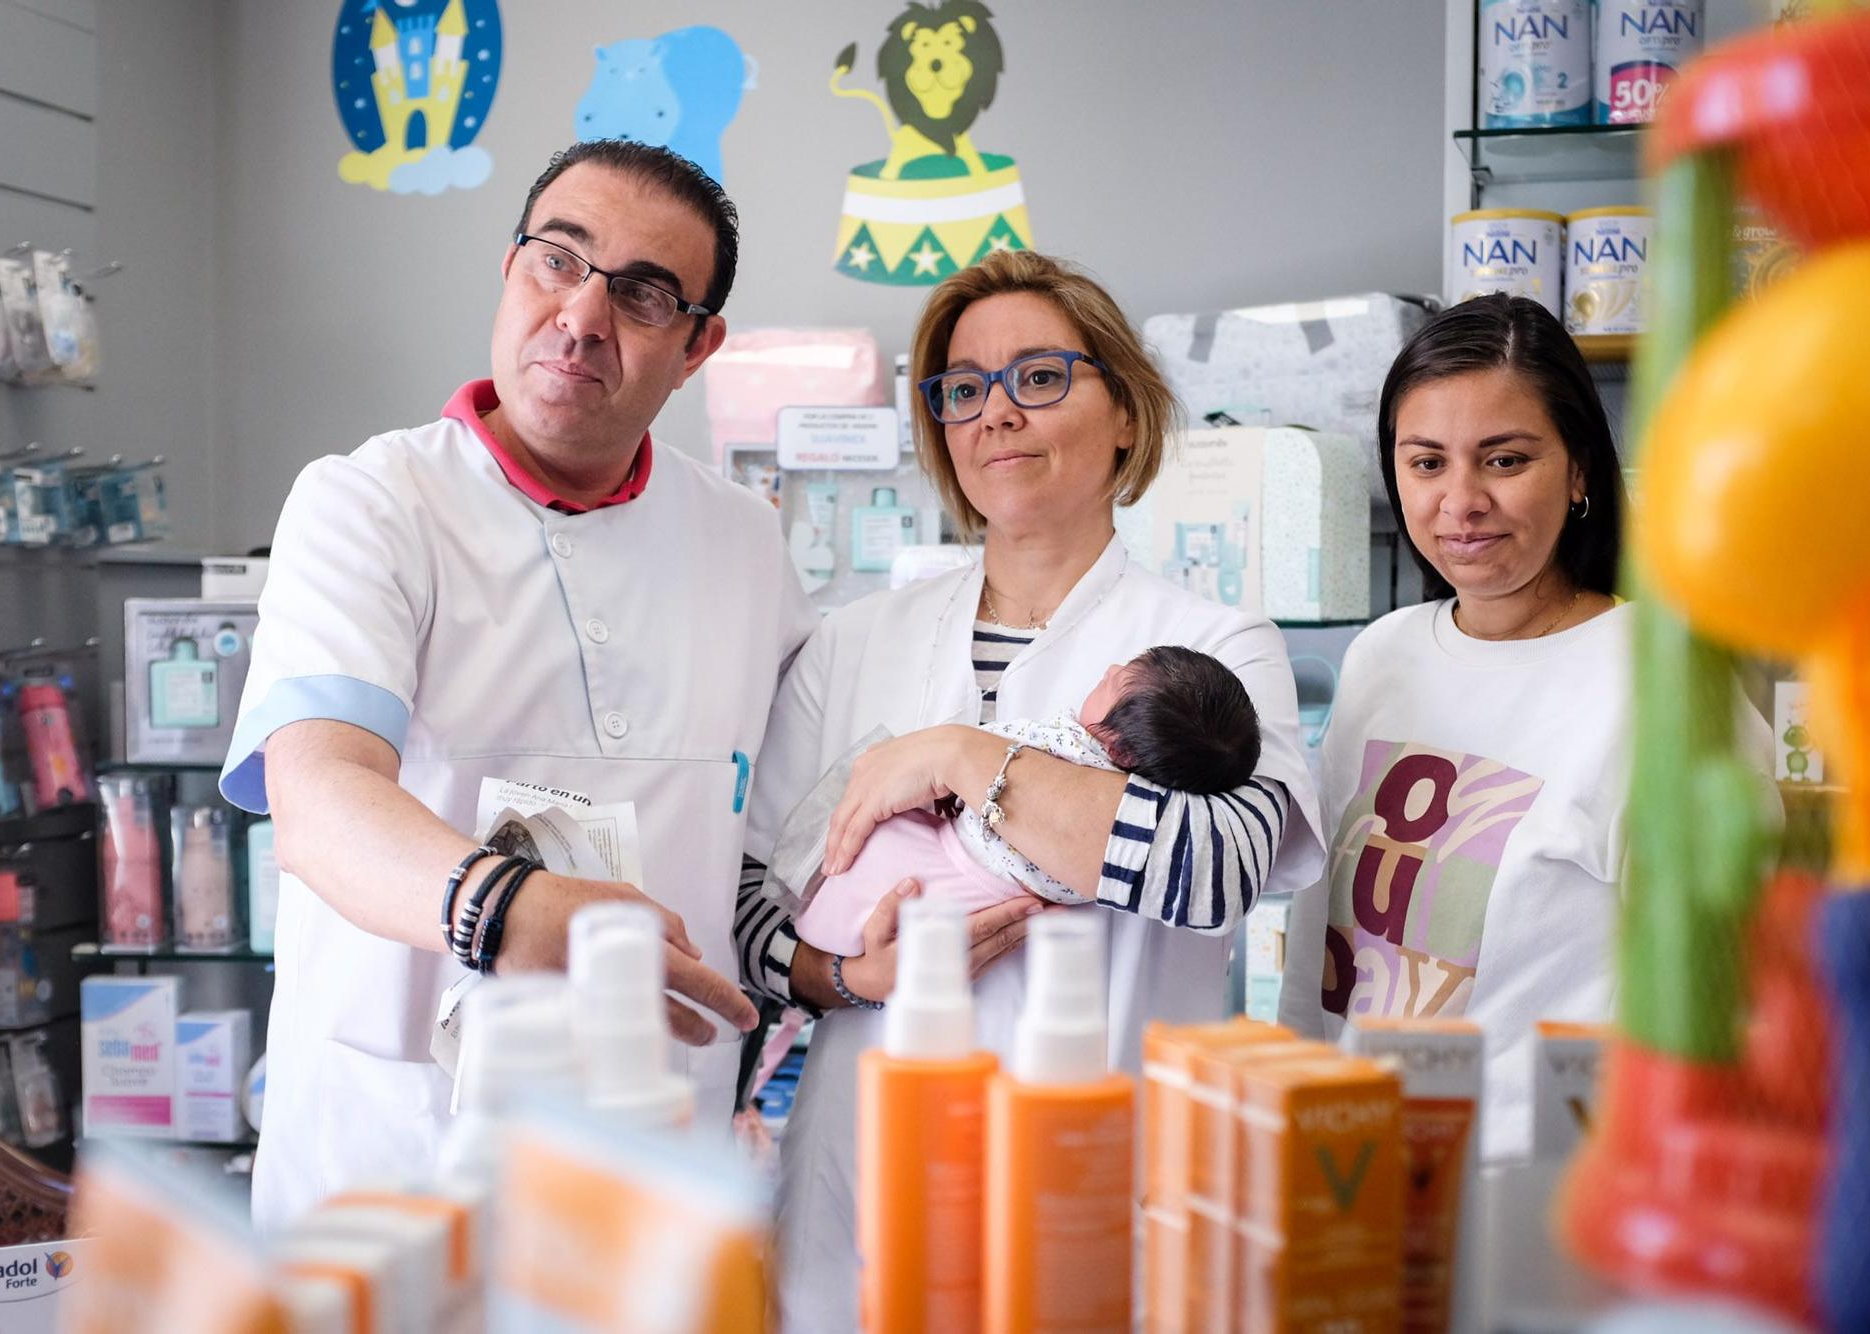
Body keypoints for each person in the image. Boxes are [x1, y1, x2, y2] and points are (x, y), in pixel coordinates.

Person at [218, 140, 815, 1226]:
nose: (583, 315)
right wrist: (507, 908)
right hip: (393, 1158)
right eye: (558, 259)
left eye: (641, 293)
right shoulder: (369, 503)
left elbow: (777, 826)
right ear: (510, 270)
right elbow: (317, 797)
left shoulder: (743, 542)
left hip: (651, 1157)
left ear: (695, 348)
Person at [738, 249, 1325, 1330]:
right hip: (863, 1188)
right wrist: (841, 972)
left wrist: (966, 759)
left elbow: (1211, 871)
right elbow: (744, 911)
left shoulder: (1213, 644)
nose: (995, 413)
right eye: (962, 389)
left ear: (1123, 414)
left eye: (1039, 377)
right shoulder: (851, 642)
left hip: (1107, 1180)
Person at [1275, 293, 1769, 1158]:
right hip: (1347, 1161)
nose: (1460, 502)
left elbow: (1738, 1005)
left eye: (1504, 460)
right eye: (1426, 463)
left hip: (1540, 1200)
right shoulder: (1382, 655)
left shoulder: (1667, 688)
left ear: (1579, 471)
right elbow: (1326, 937)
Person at [793, 643, 1264, 954]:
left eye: (1117, 681)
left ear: (1118, 748)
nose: (1111, 668)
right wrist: (845, 981)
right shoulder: (846, 635)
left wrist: (954, 753)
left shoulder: (1064, 743)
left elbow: (1217, 872)